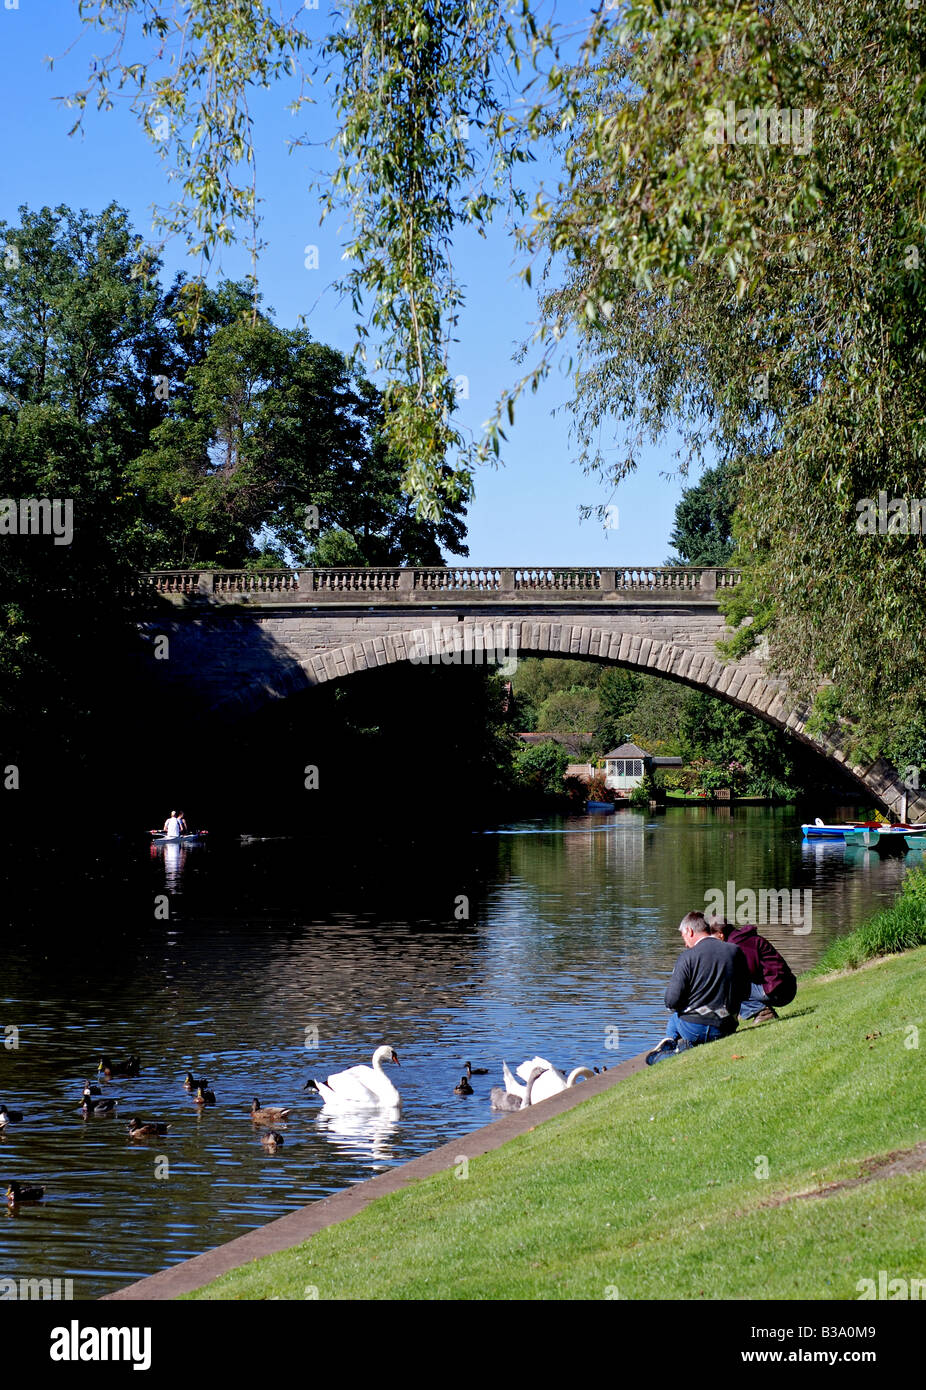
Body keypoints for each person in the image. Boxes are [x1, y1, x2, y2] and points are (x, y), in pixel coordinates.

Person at [646, 911, 751, 1064]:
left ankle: (665, 1053)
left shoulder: (687, 957)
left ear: (689, 931)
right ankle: (678, 1046)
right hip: (726, 1026)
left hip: (693, 1028)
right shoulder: (735, 951)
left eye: (683, 936)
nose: (685, 943)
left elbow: (671, 1001)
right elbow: (746, 993)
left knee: (674, 1020)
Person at [706, 915, 797, 1022]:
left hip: (780, 990)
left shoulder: (738, 945)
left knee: (726, 985)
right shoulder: (742, 939)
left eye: (711, 938)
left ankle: (762, 1012)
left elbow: (749, 972)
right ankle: (749, 1010)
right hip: (782, 986)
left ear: (720, 935)